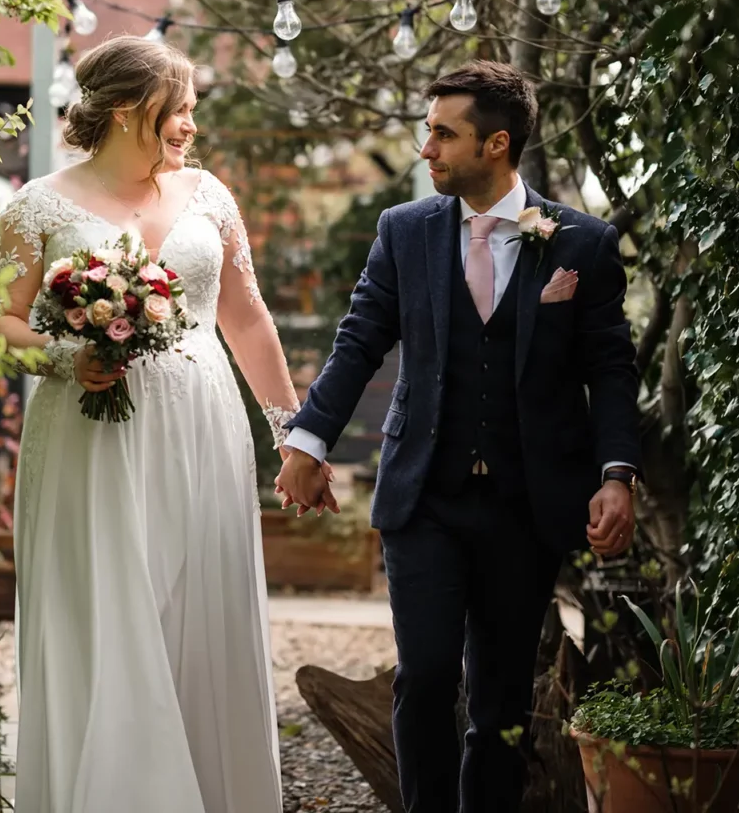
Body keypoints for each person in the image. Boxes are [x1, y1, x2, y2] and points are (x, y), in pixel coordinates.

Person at [275, 61, 643, 813]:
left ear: (497, 144)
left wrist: (616, 473)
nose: (427, 149)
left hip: (526, 503)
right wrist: (306, 441)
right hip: (427, 496)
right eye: (428, 131)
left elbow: (609, 368)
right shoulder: (404, 232)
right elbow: (358, 342)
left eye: (445, 134)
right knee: (428, 674)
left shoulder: (583, 243)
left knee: (503, 700)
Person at [0, 35, 308, 813]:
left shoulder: (210, 196)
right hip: (90, 430)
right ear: (129, 109)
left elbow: (248, 320)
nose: (191, 125)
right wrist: (66, 355)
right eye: (181, 109)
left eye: (192, 110)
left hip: (203, 425)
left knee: (199, 609)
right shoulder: (36, 206)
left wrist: (292, 432)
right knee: (110, 608)